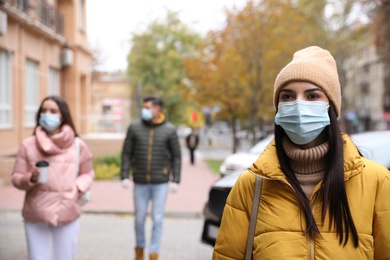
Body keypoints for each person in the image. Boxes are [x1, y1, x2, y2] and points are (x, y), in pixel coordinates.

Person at [213, 46, 390, 259]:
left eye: (312, 95)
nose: (298, 105)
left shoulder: (377, 182)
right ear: (278, 108)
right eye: (287, 96)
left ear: (331, 107)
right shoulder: (251, 185)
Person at [12, 95, 94, 260]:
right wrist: (30, 178)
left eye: (52, 111)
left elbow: (88, 173)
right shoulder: (28, 144)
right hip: (36, 212)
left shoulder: (78, 145)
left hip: (67, 210)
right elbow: (16, 177)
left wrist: (77, 188)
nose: (47, 114)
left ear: (62, 115)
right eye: (44, 110)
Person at [120, 95, 182, 260]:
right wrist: (124, 175)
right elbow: (126, 153)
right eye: (144, 107)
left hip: (160, 183)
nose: (145, 110)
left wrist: (176, 180)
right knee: (139, 219)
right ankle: (139, 250)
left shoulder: (169, 129)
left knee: (157, 219)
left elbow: (176, 156)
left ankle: (154, 252)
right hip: (140, 181)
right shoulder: (134, 128)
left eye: (148, 107)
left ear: (158, 109)